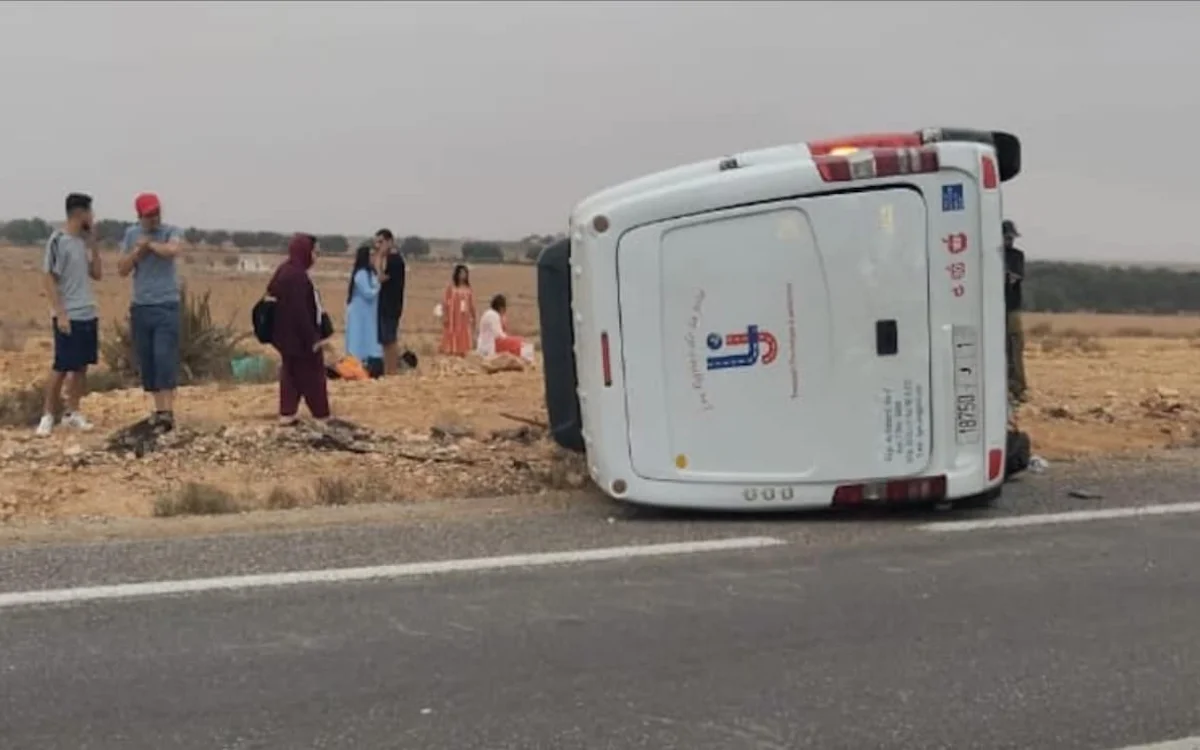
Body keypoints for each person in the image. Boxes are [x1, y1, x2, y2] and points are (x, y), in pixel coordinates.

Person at [117, 192, 187, 432]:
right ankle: (158, 410)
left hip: (166, 304)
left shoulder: (171, 231)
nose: (154, 218)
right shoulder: (130, 235)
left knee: (164, 356)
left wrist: (151, 246)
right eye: (148, 215)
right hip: (141, 306)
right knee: (148, 360)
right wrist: (137, 253)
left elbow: (173, 250)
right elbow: (122, 269)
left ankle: (168, 411)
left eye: (156, 213)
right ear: (139, 216)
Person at [36, 193, 102, 437]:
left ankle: (73, 413)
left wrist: (94, 244)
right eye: (90, 212)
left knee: (82, 366)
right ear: (79, 213)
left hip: (88, 311)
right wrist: (61, 313)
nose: (92, 217)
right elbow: (49, 278)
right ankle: (47, 415)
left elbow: (97, 273)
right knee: (61, 366)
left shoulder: (83, 242)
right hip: (68, 314)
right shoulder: (58, 240)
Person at [267, 233, 332, 425]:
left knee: (291, 374)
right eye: (315, 252)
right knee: (313, 376)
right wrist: (312, 338)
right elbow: (300, 311)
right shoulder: (297, 276)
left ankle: (287, 414)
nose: (316, 257)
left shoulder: (285, 270)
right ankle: (322, 416)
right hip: (300, 339)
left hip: (286, 338)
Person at [345, 243, 383, 371]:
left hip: (368, 313)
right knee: (358, 337)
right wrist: (379, 285)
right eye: (371, 255)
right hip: (359, 312)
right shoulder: (360, 274)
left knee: (368, 337)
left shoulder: (370, 273)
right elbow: (368, 293)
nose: (374, 258)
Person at [374, 229, 407, 374]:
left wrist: (378, 258)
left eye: (381, 242)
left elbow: (381, 277)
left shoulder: (395, 260)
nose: (378, 246)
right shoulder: (391, 259)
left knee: (390, 339)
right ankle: (389, 369)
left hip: (391, 305)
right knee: (385, 340)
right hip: (385, 303)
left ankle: (392, 370)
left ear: (389, 241)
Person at [1003, 219, 1028, 403]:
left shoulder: (1016, 256)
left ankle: (1017, 386)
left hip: (1011, 308)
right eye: (1006, 237)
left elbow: (1014, 277)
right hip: (993, 309)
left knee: (1015, 346)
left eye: (1011, 238)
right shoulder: (989, 255)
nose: (1009, 241)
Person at [439, 264, 476, 357]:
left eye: (465, 273)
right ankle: (451, 350)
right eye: (461, 273)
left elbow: (471, 303)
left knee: (464, 333)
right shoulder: (451, 288)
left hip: (464, 317)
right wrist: (445, 316)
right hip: (453, 317)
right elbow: (445, 302)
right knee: (452, 332)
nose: (463, 275)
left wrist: (473, 316)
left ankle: (462, 351)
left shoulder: (468, 288)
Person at [477, 294, 525, 358]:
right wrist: (508, 338)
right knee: (521, 341)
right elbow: (498, 334)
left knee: (517, 342)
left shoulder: (489, 313)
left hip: (487, 343)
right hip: (491, 345)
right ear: (501, 307)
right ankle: (528, 359)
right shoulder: (494, 315)